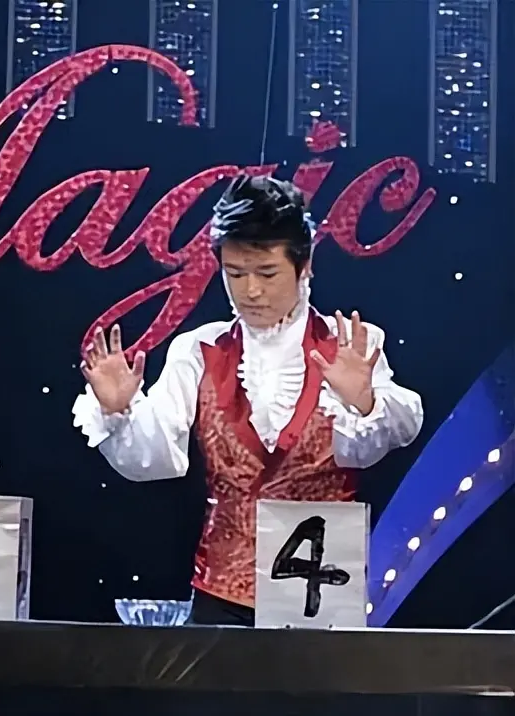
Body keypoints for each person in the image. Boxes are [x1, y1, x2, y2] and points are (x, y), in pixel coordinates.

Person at [72, 174, 424, 626]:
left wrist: (365, 401)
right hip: (220, 592)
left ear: (304, 265)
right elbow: (155, 459)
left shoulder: (350, 345)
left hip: (324, 592)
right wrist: (120, 411)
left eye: (267, 273)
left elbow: (395, 432)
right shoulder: (197, 350)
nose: (251, 291)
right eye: (235, 274)